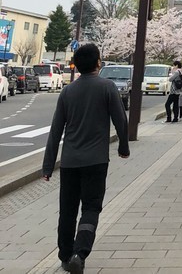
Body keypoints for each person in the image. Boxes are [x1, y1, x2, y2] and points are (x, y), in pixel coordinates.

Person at [41, 42, 129, 274]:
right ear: (98, 62)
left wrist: (48, 166)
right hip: (96, 160)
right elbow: (121, 121)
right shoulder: (107, 87)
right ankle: (80, 253)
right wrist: (124, 146)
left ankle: (65, 254)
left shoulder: (67, 91)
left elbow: (56, 130)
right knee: (91, 207)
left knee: (67, 210)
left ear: (77, 66)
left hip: (70, 161)